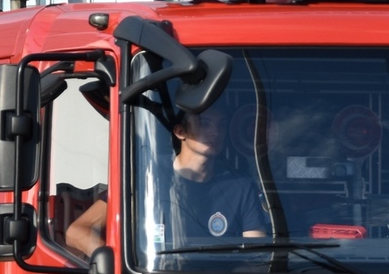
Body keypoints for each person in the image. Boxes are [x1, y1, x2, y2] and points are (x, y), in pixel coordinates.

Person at [65, 106, 267, 256]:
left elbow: (257, 252)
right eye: (205, 123)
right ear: (180, 132)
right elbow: (76, 231)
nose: (216, 132)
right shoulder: (147, 175)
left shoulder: (241, 185)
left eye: (221, 125)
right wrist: (110, 263)